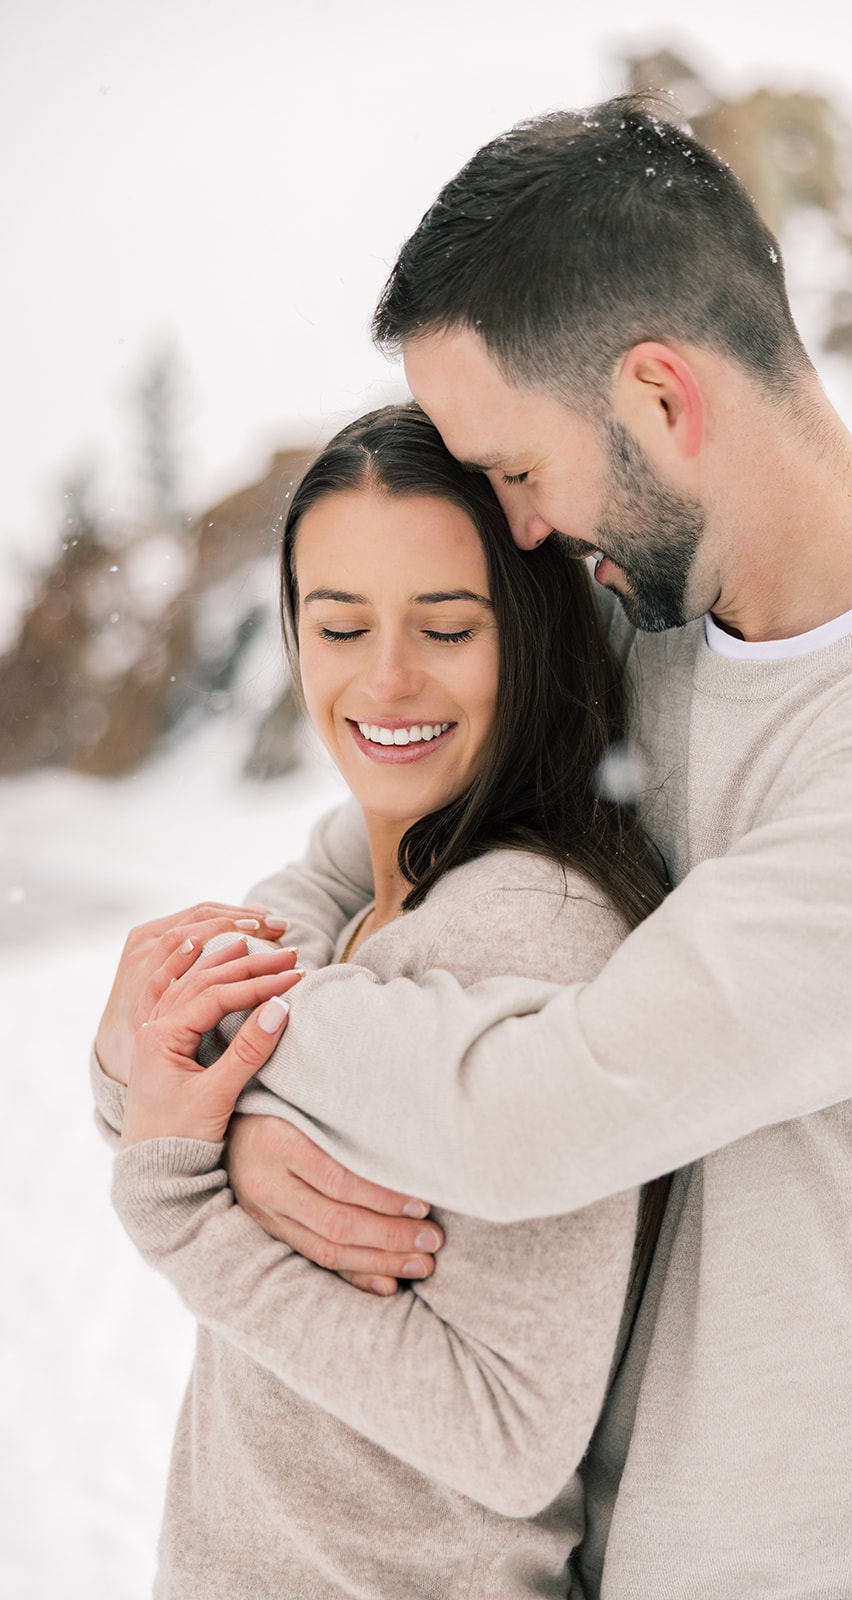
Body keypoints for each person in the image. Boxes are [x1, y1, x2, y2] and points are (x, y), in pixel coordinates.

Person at [98, 97, 852, 1598]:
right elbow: (354, 862)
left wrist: (228, 1048)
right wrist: (172, 1042)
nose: (514, 532)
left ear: (658, 397)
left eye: (515, 467)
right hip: (587, 1548)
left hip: (809, 1562)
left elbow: (549, 1113)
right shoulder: (650, 639)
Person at [92, 403, 670, 1598]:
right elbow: (277, 951)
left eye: (446, 627)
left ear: (530, 633)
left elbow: (509, 1432)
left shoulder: (525, 930)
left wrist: (189, 1214)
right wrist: (171, 1085)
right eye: (339, 624)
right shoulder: (379, 883)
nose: (385, 678)